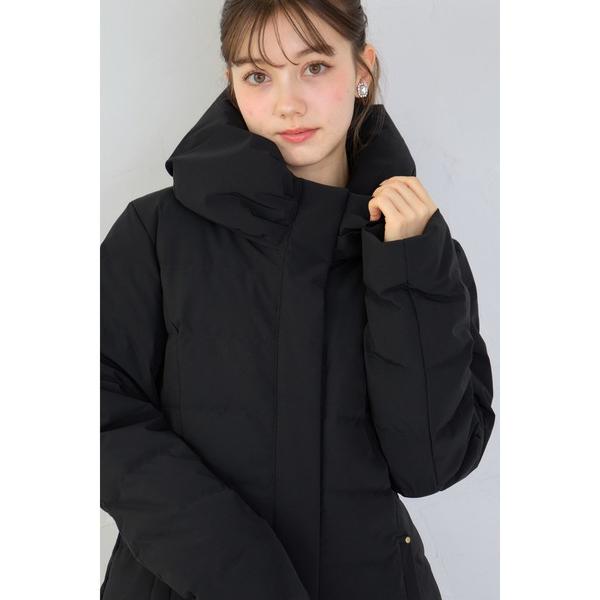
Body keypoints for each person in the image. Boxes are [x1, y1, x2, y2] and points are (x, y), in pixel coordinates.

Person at [100, 1, 496, 599]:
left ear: (362, 69)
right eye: (258, 74)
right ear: (232, 84)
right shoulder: (156, 234)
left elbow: (430, 465)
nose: (288, 103)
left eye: (314, 67)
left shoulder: (414, 248)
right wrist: (241, 570)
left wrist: (408, 268)